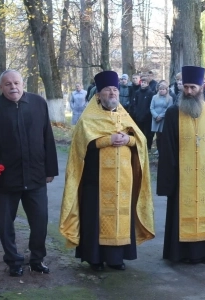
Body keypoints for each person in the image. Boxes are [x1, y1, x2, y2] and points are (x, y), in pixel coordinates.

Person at [60, 70, 155, 271]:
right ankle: (95, 257)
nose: (112, 93)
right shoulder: (88, 119)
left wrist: (128, 140)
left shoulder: (124, 115)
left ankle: (116, 258)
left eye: (114, 90)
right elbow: (80, 148)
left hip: (123, 179)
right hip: (96, 179)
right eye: (107, 90)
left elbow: (141, 141)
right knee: (96, 217)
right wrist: (107, 140)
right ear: (98, 94)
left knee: (121, 216)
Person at [157, 65, 205, 264]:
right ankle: (181, 253)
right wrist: (169, 178)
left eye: (192, 88)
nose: (188, 91)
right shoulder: (172, 113)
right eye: (185, 87)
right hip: (182, 176)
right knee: (181, 213)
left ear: (201, 88)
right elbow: (167, 147)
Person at [0, 69, 59, 277]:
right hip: (5, 180)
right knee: (5, 225)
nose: (13, 87)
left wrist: (50, 170)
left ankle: (37, 259)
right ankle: (14, 261)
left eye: (17, 83)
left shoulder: (38, 104)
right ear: (1, 87)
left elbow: (47, 137)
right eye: (8, 84)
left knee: (40, 222)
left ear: (23, 84)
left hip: (36, 176)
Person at [130, 76, 155, 151]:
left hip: (147, 117)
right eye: (142, 82)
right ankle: (140, 145)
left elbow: (150, 105)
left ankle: (148, 146)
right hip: (138, 116)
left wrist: (146, 114)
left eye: (145, 83)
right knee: (139, 132)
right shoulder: (137, 92)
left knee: (148, 133)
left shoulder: (150, 93)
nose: (143, 84)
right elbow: (134, 103)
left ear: (147, 84)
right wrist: (135, 112)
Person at [150, 82, 173, 155]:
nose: (161, 91)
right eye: (160, 89)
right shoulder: (154, 97)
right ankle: (158, 149)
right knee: (157, 135)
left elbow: (169, 108)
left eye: (163, 89)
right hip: (155, 119)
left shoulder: (169, 98)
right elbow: (151, 108)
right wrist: (156, 116)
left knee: (163, 135)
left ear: (166, 90)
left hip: (163, 119)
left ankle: (163, 150)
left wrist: (161, 116)